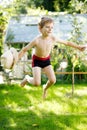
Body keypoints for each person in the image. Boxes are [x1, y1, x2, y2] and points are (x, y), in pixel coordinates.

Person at [18, 17, 85, 99]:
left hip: (46, 60)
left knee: (53, 80)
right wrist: (16, 59)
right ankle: (27, 78)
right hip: (37, 61)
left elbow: (67, 42)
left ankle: (45, 88)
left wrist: (78, 47)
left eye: (51, 27)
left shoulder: (53, 38)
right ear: (40, 28)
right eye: (47, 27)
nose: (50, 29)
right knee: (36, 83)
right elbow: (24, 50)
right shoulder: (36, 40)